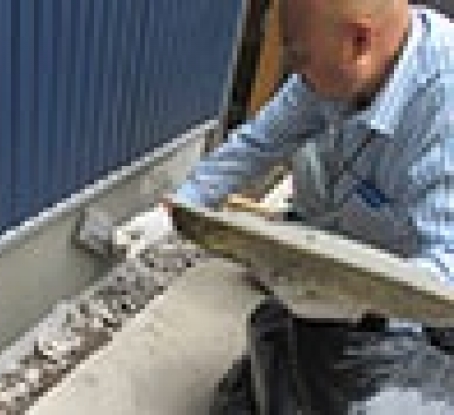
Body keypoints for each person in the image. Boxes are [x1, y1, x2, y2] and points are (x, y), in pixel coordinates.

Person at [168, 1, 454, 413]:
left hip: (430, 300)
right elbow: (260, 141)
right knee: (282, 345)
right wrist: (187, 203)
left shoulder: (442, 111)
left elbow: (443, 280)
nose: (293, 70)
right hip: (374, 249)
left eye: (299, 57)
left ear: (359, 42)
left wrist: (352, 297)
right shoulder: (329, 74)